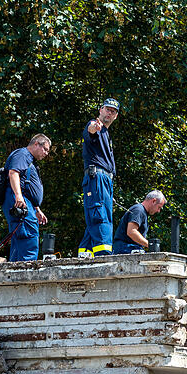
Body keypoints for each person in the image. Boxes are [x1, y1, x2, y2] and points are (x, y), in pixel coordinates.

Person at [78, 97, 120, 258]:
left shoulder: (106, 133)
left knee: (95, 217)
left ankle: (85, 253)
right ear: (100, 110)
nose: (110, 113)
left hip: (104, 181)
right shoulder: (95, 126)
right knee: (100, 216)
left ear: (116, 116)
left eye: (113, 111)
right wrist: (94, 128)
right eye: (107, 109)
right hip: (98, 179)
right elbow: (91, 131)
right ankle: (104, 255)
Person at [2, 134, 50, 262]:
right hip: (19, 200)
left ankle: (15, 274)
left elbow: (27, 186)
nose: (46, 153)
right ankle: (27, 272)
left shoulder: (30, 160)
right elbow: (13, 173)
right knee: (28, 235)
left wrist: (37, 209)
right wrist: (18, 196)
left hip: (26, 202)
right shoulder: (22, 154)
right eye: (45, 149)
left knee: (20, 239)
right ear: (36, 144)